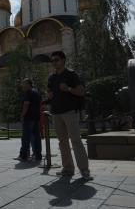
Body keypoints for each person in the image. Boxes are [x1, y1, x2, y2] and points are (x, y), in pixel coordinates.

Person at [47, 51, 92, 181]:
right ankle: (68, 169)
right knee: (62, 142)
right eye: (52, 61)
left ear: (63, 60)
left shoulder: (71, 74)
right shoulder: (52, 78)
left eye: (56, 60)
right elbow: (49, 92)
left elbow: (81, 91)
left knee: (76, 140)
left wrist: (69, 89)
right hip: (56, 113)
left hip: (70, 112)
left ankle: (84, 170)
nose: (54, 63)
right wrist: (48, 95)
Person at [16, 79, 42, 162]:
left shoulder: (28, 93)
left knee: (26, 137)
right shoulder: (37, 93)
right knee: (36, 137)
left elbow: (26, 104)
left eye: (24, 84)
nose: (23, 86)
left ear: (28, 84)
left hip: (28, 118)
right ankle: (38, 155)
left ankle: (24, 156)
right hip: (36, 118)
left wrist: (22, 115)